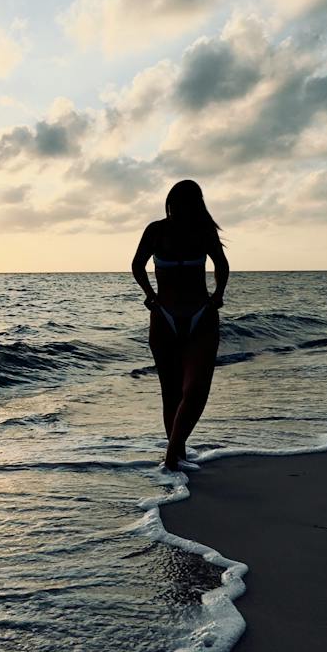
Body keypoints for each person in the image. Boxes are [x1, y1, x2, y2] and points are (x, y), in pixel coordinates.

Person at [130, 179, 229, 471]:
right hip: (164, 318)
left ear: (194, 205)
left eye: (182, 205)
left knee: (196, 389)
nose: (175, 210)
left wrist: (218, 295)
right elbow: (137, 265)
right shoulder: (156, 230)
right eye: (171, 204)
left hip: (202, 315)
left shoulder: (203, 231)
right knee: (171, 393)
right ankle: (179, 455)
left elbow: (221, 264)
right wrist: (149, 296)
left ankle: (171, 458)